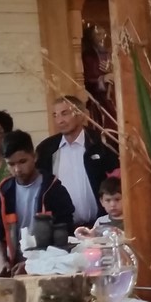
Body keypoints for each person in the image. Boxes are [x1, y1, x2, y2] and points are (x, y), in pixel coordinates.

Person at [0, 129, 76, 272]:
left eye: (22, 161)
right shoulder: (4, 191)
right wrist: (2, 261)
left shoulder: (54, 189)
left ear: (35, 156)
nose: (17, 169)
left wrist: (33, 264)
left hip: (48, 266)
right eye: (11, 164)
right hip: (14, 266)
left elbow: (64, 238)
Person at [36, 95, 120, 228]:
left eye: (65, 114)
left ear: (81, 115)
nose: (59, 120)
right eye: (55, 115)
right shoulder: (46, 149)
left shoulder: (102, 143)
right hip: (63, 228)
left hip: (101, 224)